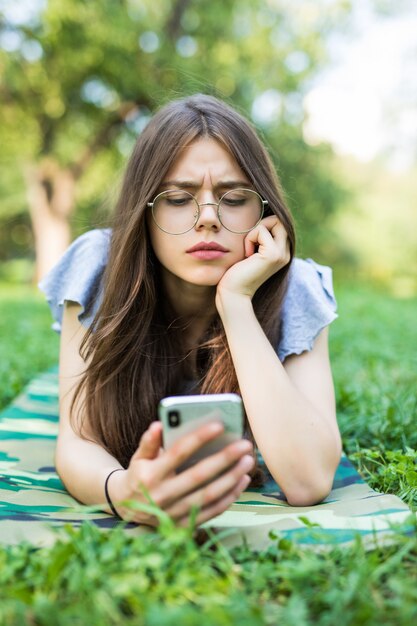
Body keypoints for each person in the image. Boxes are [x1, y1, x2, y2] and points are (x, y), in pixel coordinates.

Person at [39, 94, 342, 529]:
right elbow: (77, 441)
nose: (207, 218)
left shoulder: (297, 286)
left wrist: (237, 304)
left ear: (265, 211)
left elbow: (309, 481)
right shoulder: (99, 270)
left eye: (234, 197)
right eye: (178, 198)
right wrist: (123, 493)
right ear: (143, 210)